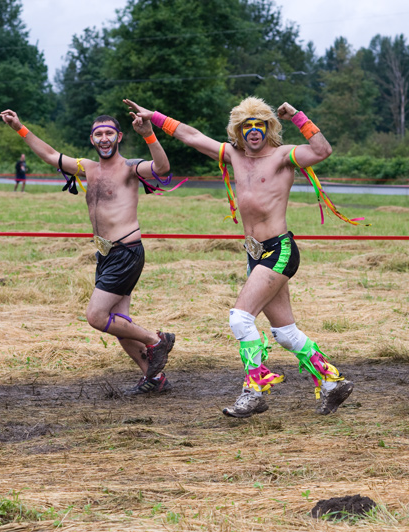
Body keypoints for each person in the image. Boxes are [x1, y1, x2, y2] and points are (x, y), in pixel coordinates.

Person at [124, 96, 354, 418]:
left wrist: (299, 118)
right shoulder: (233, 154)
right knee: (285, 333)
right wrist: (155, 118)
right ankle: (332, 382)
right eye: (247, 126)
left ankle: (254, 391)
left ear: (269, 127)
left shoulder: (282, 156)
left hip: (279, 250)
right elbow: (191, 136)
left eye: (260, 125)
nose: (254, 131)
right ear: (239, 130)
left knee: (240, 318)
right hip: (255, 254)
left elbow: (322, 151)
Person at [0, 108, 176, 395]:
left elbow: (162, 168)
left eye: (109, 133)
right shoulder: (88, 168)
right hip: (105, 256)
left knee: (96, 316)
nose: (104, 138)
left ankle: (156, 341)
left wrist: (150, 134)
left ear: (119, 136)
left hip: (126, 252)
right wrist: (20, 127)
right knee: (118, 324)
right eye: (98, 134)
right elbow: (50, 155)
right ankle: (155, 378)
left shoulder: (130, 167)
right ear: (92, 139)